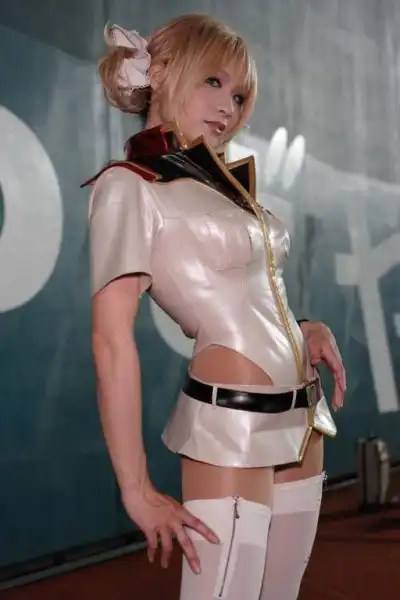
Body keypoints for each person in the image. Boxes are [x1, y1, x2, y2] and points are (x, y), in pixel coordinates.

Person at [83, 14, 346, 600]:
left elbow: (247, 294)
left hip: (303, 419)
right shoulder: (130, 185)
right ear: (161, 72)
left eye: (240, 95)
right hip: (231, 424)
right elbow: (110, 341)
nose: (228, 106)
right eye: (213, 82)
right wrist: (135, 488)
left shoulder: (218, 181)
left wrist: (302, 328)